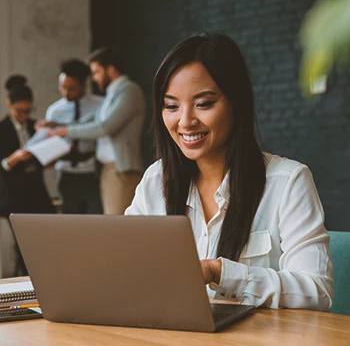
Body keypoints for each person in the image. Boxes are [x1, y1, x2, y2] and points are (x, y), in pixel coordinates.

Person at [125, 33, 334, 311]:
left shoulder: (288, 182)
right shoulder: (156, 180)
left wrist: (219, 272)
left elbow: (317, 291)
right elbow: (124, 268)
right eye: (171, 106)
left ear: (237, 102)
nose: (185, 121)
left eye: (204, 104)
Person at [48, 48, 146, 215]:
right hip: (108, 170)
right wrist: (56, 127)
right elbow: (93, 121)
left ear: (111, 70)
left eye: (96, 72)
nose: (94, 78)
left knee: (116, 226)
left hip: (121, 169)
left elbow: (105, 127)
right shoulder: (112, 93)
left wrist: (65, 130)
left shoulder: (129, 90)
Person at [0, 80, 54, 274]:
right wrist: (14, 158)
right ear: (9, 105)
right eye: (19, 111)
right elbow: (3, 165)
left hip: (37, 191)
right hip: (14, 196)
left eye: (28, 110)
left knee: (50, 236)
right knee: (24, 244)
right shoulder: (2, 129)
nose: (24, 115)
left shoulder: (36, 126)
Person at [44, 59, 103, 214]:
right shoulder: (54, 110)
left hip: (93, 173)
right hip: (66, 173)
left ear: (83, 85)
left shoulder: (100, 105)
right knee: (69, 222)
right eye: (62, 87)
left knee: (97, 220)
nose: (65, 93)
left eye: (71, 88)